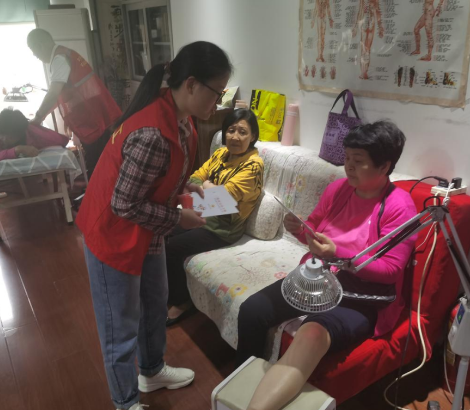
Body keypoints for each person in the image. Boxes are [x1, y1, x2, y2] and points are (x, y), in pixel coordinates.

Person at [75, 41, 232, 410]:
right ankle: (125, 402)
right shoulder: (152, 133)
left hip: (145, 229)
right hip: (113, 236)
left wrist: (185, 186)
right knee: (120, 326)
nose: (219, 102)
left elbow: (162, 173)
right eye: (217, 92)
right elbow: (124, 204)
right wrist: (178, 217)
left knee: (155, 302)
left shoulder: (180, 118)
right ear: (191, 84)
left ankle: (151, 369)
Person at [236, 121, 418, 410]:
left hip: (359, 298)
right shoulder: (338, 190)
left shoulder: (400, 206)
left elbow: (390, 271)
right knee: (252, 310)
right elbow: (314, 232)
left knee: (311, 335)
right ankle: (241, 387)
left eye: (358, 161)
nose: (349, 167)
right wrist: (299, 229)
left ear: (384, 166)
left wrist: (340, 255)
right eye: (346, 158)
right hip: (317, 279)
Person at [166, 108, 264, 326]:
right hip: (202, 211)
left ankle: (182, 302)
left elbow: (225, 197)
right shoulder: (221, 153)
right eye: (231, 130)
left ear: (253, 137)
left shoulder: (253, 165)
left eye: (242, 132)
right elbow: (195, 177)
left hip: (223, 228)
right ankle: (166, 290)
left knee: (172, 247)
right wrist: (209, 187)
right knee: (161, 230)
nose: (235, 137)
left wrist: (207, 186)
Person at [26, 28, 122, 177]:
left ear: (39, 46)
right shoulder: (66, 54)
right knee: (102, 160)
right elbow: (61, 95)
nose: (34, 55)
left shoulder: (59, 59)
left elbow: (54, 93)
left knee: (98, 164)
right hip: (94, 115)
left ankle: (98, 189)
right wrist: (41, 116)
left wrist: (38, 117)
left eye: (33, 50)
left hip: (92, 119)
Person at [0, 109, 69, 161]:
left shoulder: (32, 131)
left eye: (10, 137)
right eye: (1, 134)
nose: (4, 139)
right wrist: (18, 149)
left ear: (20, 135)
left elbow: (61, 140)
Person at [352, 0, 385, 80]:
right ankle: (363, 71)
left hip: (370, 23)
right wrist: (355, 27)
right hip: (366, 23)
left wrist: (380, 27)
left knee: (367, 49)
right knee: (364, 50)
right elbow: (360, 11)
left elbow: (377, 11)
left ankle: (364, 71)